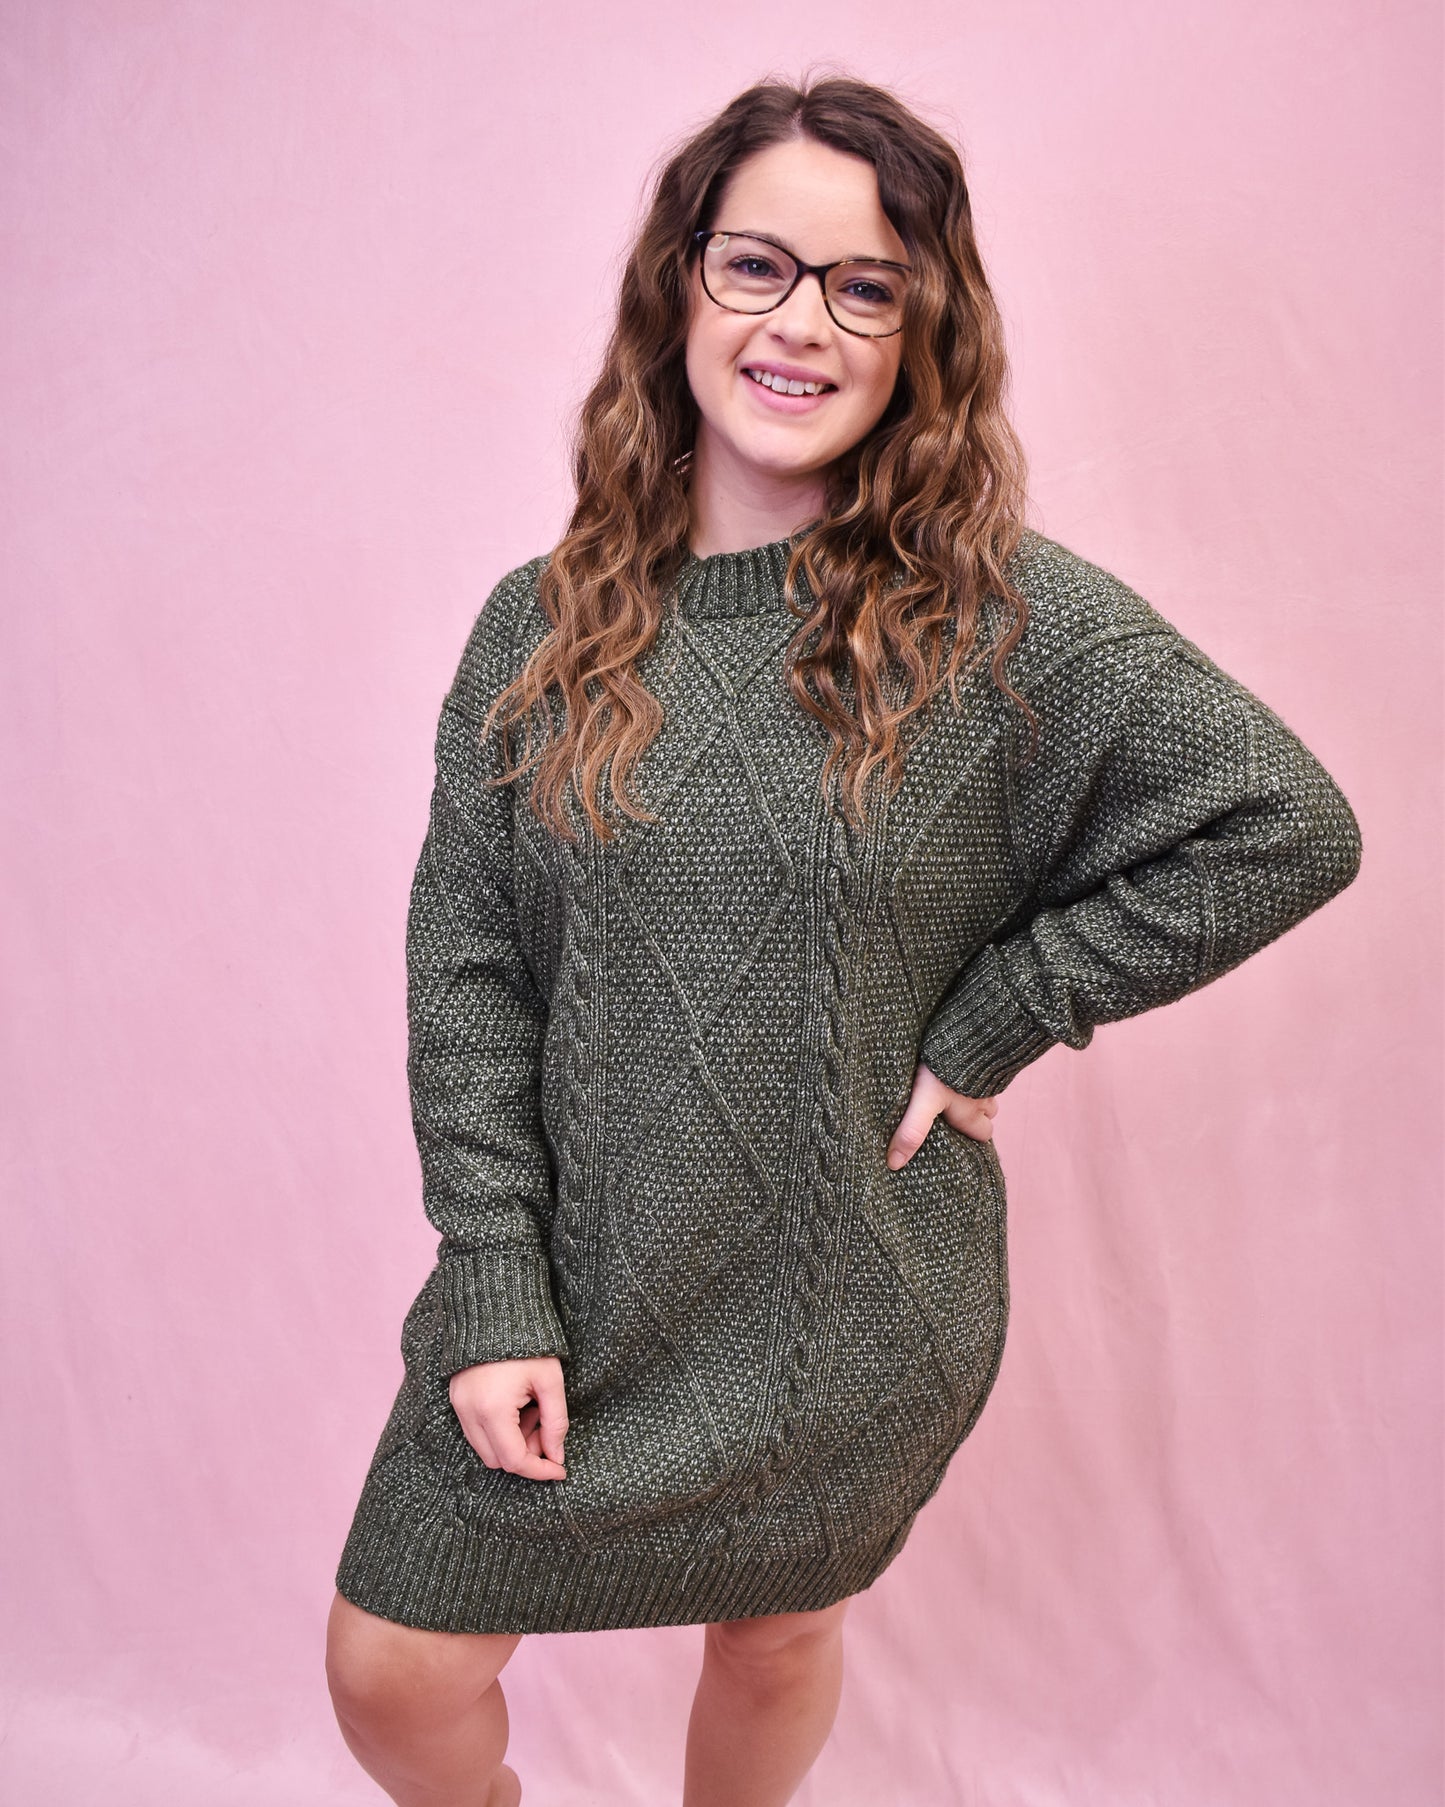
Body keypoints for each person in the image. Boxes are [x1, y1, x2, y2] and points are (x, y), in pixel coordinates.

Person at [324, 73, 1362, 1807]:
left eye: (862, 285)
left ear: (915, 333)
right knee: (392, 1667)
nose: (799, 323)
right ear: (681, 289)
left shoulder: (994, 621)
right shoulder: (540, 624)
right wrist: (495, 1276)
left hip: (847, 1298)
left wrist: (1002, 1013)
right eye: (756, 267)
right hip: (575, 1289)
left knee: (779, 1641)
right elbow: (468, 973)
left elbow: (1283, 820)